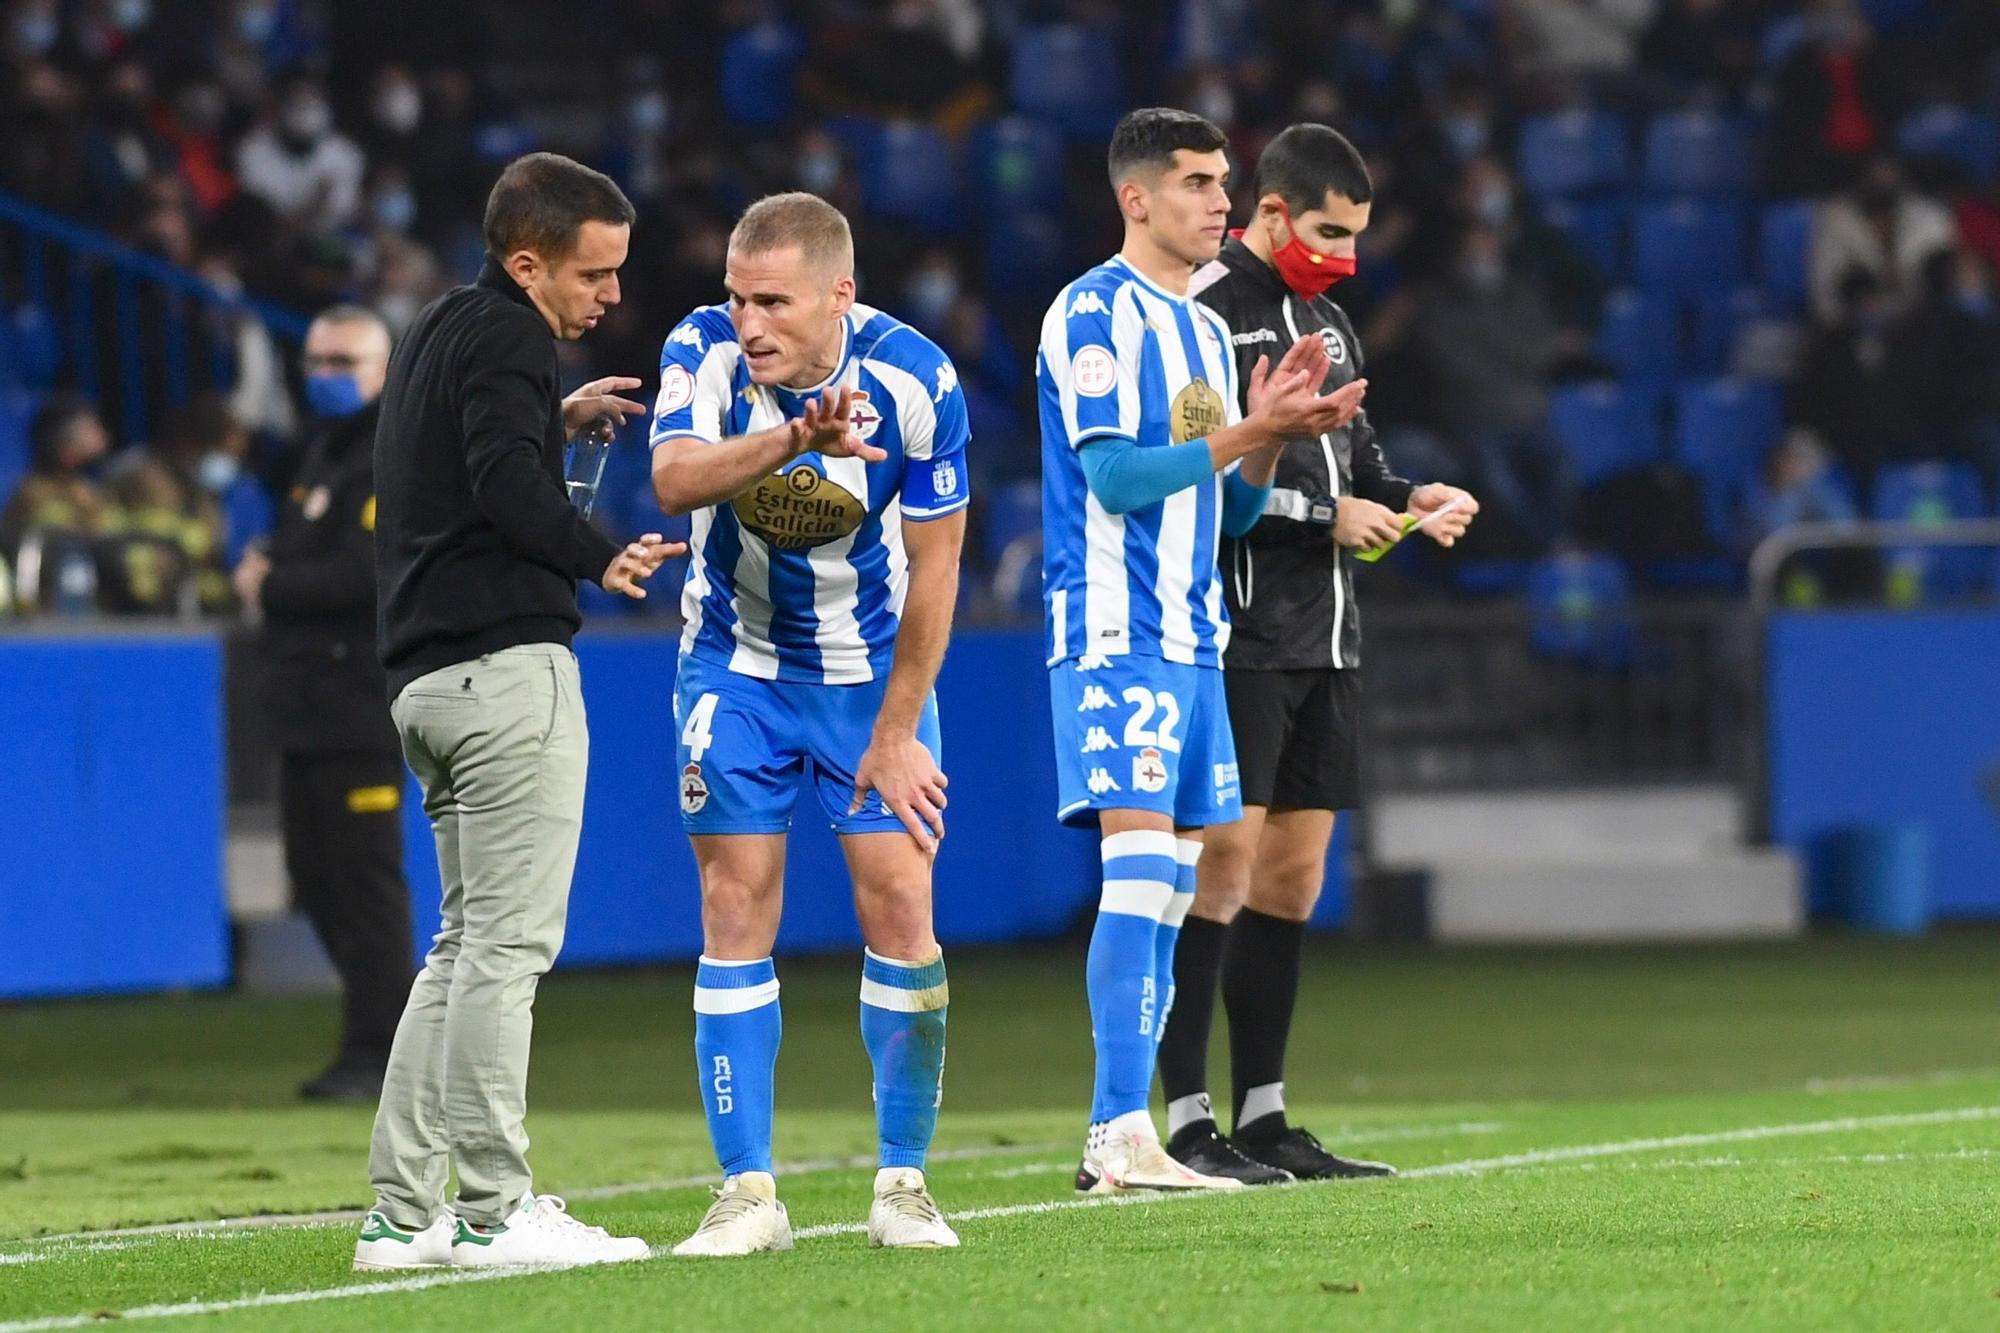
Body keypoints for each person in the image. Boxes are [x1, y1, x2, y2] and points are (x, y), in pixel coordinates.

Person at [357, 152, 679, 1273]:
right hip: (504, 672)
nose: (611, 297)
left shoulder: (442, 325)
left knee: (458, 947)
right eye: (592, 275)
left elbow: (463, 460)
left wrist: (552, 413)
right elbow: (500, 484)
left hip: (424, 681)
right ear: (527, 260)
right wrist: (601, 552)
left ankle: (402, 1215)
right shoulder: (510, 340)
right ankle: (495, 1209)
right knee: (504, 948)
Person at [1037, 107, 1367, 1195]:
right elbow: (1119, 478)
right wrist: (1239, 431)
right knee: (1139, 874)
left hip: (1189, 633)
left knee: (1176, 884)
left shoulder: (1193, 329)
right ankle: (1113, 1131)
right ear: (1134, 198)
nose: (1217, 199)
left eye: (1221, 180)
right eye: (1192, 182)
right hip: (1110, 628)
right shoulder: (1093, 314)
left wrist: (1271, 434)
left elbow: (1225, 510)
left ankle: (1134, 1134)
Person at [649, 192, 970, 1256]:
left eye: (773, 303)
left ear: (840, 293)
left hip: (868, 676)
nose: (749, 324)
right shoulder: (700, 349)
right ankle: (747, 1192)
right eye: (739, 297)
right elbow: (669, 477)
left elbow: (938, 567)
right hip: (732, 667)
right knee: (732, 900)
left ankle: (903, 1182)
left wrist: (896, 729)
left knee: (901, 905)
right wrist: (792, 435)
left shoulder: (915, 380)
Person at [1164, 123, 1477, 1184]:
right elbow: (1200, 480)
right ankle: (1182, 1118)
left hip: (1327, 639)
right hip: (1237, 634)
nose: (1342, 254)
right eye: (1328, 232)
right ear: (1272, 212)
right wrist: (1320, 515)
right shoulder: (1205, 318)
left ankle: (1264, 1113)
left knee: (1290, 882)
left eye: (1354, 236)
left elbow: (1363, 462)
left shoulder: (1332, 322)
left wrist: (1409, 497)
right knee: (1216, 873)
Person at [231, 305, 411, 1105]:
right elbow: (309, 552)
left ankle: (381, 1048)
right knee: (315, 877)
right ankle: (382, 1032)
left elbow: (366, 576)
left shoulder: (387, 453)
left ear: (382, 369)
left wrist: (270, 582)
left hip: (358, 703)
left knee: (365, 883)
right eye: (316, 359)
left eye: (344, 360)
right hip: (305, 704)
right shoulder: (323, 453)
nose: (326, 374)